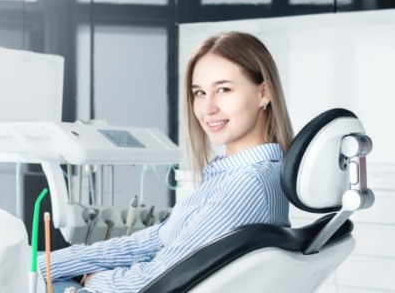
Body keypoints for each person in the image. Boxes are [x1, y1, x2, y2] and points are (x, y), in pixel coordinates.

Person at [38, 31, 294, 293]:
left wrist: (94, 280)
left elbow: (160, 277)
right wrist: (48, 264)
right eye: (200, 93)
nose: (208, 109)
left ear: (264, 92)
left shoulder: (247, 184)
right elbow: (153, 241)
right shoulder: (242, 174)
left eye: (223, 89)